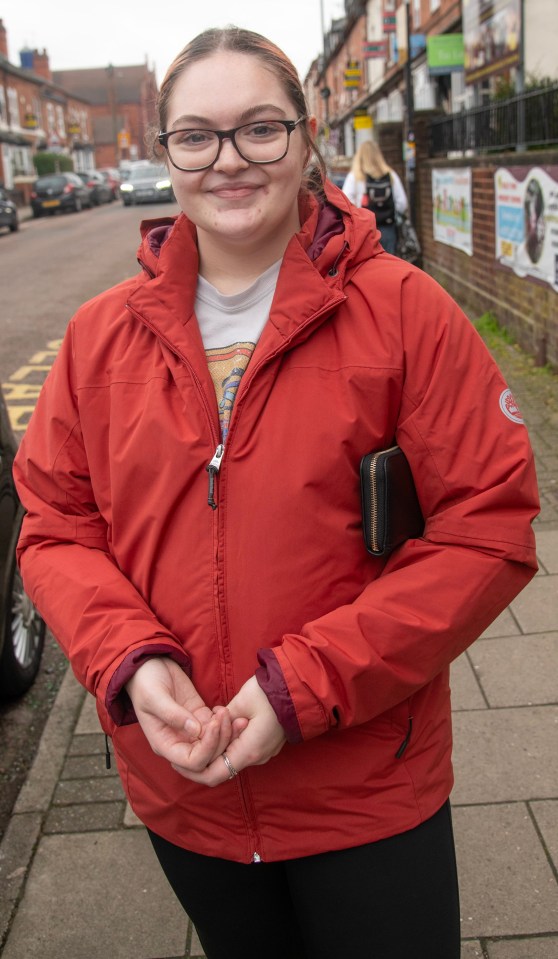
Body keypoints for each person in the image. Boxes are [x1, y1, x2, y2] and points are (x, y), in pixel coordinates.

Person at [13, 25, 539, 959]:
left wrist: (307, 683)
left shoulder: (406, 309)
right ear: (164, 151)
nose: (229, 161)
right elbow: (57, 526)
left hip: (366, 787)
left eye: (260, 128)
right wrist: (129, 658)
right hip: (188, 790)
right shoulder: (99, 338)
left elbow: (487, 529)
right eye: (196, 136)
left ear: (306, 137)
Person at [342, 139, 408, 253]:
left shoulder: (355, 177)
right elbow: (402, 203)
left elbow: (345, 202)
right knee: (389, 265)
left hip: (365, 231)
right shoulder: (390, 175)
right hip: (388, 228)